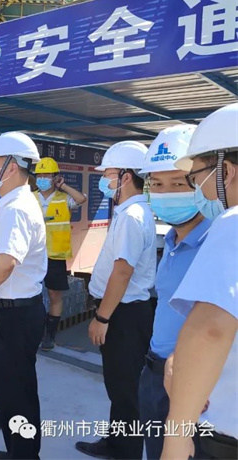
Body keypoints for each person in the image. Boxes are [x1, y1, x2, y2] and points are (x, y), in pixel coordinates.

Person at [162, 103, 238, 460]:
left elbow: (210, 329)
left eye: (196, 178)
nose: (198, 191)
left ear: (226, 170)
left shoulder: (233, 223)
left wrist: (176, 437)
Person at [75, 141, 156, 460]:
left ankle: (127, 452)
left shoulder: (132, 216)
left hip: (124, 315)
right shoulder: (129, 212)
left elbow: (122, 272)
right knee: (119, 386)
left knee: (125, 390)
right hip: (123, 312)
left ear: (125, 176)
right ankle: (115, 442)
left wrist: (102, 318)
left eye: (107, 174)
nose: (103, 181)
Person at [135, 125, 210, 460]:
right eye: (156, 184)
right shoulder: (171, 239)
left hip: (195, 384)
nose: (165, 193)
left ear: (202, 184)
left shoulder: (219, 241)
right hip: (154, 372)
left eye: (178, 184)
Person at [0, 132, 47, 460]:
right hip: (17, 310)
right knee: (15, 390)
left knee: (17, 393)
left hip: (16, 313)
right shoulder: (15, 203)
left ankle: (24, 455)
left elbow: (6, 261)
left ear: (12, 167)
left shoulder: (16, 207)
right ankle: (20, 452)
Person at [33, 157, 87, 351]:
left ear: (55, 177)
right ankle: (34, 331)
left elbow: (81, 199)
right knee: (31, 294)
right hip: (32, 255)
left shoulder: (64, 198)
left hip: (55, 255)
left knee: (54, 294)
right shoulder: (30, 197)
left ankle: (50, 336)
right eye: (39, 175)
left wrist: (63, 186)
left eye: (47, 175)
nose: (42, 178)